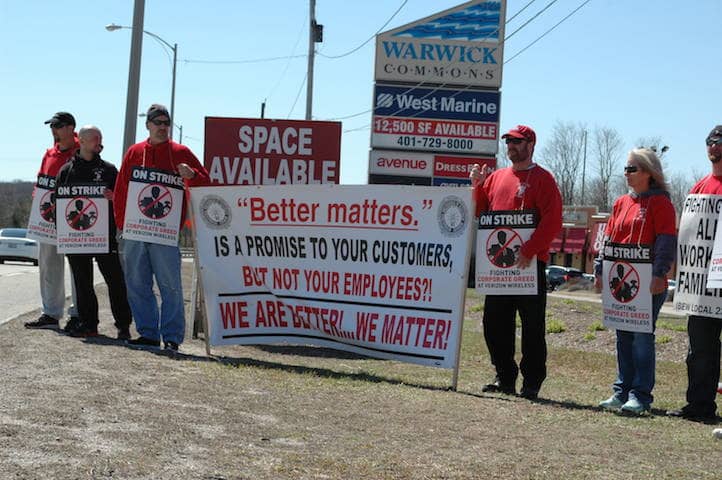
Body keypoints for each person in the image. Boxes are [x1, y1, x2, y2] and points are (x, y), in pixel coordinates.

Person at [470, 125, 563, 400]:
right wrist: (476, 186)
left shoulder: (544, 179)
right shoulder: (497, 177)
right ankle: (504, 377)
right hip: (498, 267)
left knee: (532, 326)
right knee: (494, 323)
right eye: (508, 141)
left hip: (529, 265)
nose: (510, 145)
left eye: (517, 141)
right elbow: (480, 211)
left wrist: (531, 249)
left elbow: (553, 219)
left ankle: (532, 382)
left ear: (530, 144)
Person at [113, 104, 209, 351]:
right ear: (148, 124)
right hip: (134, 232)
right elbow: (121, 189)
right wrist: (122, 225)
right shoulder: (134, 152)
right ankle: (148, 333)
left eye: (166, 122)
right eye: (158, 122)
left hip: (165, 235)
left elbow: (206, 182)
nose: (163, 126)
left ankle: (172, 337)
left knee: (170, 286)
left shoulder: (180, 151)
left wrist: (192, 175)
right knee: (137, 284)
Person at [595, 148, 676, 415]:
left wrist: (659, 273)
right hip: (620, 282)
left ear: (648, 173)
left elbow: (666, 240)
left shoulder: (661, 203)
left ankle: (640, 396)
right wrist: (599, 271)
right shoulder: (621, 203)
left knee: (642, 337)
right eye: (626, 168)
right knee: (622, 335)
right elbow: (608, 239)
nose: (627, 173)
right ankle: (621, 391)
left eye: (633, 169)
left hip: (648, 282)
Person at [56, 125, 133, 340]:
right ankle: (89, 324)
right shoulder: (66, 171)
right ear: (81, 140)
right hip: (76, 237)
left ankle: (123, 325)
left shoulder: (109, 170)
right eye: (94, 139)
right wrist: (61, 233)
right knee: (82, 283)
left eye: (100, 138)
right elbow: (58, 203)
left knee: (116, 281)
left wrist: (113, 197)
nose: (98, 142)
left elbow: (123, 197)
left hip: (104, 235)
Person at [667, 126, 722, 422]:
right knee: (700, 348)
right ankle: (699, 406)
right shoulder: (700, 187)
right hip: (704, 285)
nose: (713, 146)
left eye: (719, 141)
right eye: (710, 141)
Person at [24, 112, 80, 331]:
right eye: (52, 127)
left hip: (75, 220)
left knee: (78, 267)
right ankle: (50, 313)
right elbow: (41, 182)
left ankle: (77, 314)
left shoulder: (81, 151)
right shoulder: (49, 154)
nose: (54, 131)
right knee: (48, 265)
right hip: (48, 220)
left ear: (70, 128)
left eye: (57, 126)